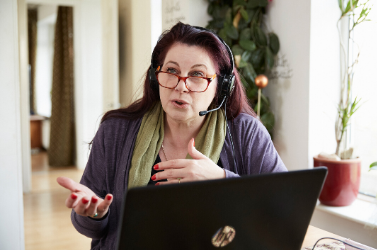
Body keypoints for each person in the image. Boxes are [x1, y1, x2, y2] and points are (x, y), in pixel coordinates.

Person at [57, 22, 287, 249]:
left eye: (197, 74)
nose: (181, 86)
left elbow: (283, 212)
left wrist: (222, 180)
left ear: (221, 87)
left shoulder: (246, 133)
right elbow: (91, 229)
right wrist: (94, 214)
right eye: (171, 71)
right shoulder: (115, 130)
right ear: (155, 77)